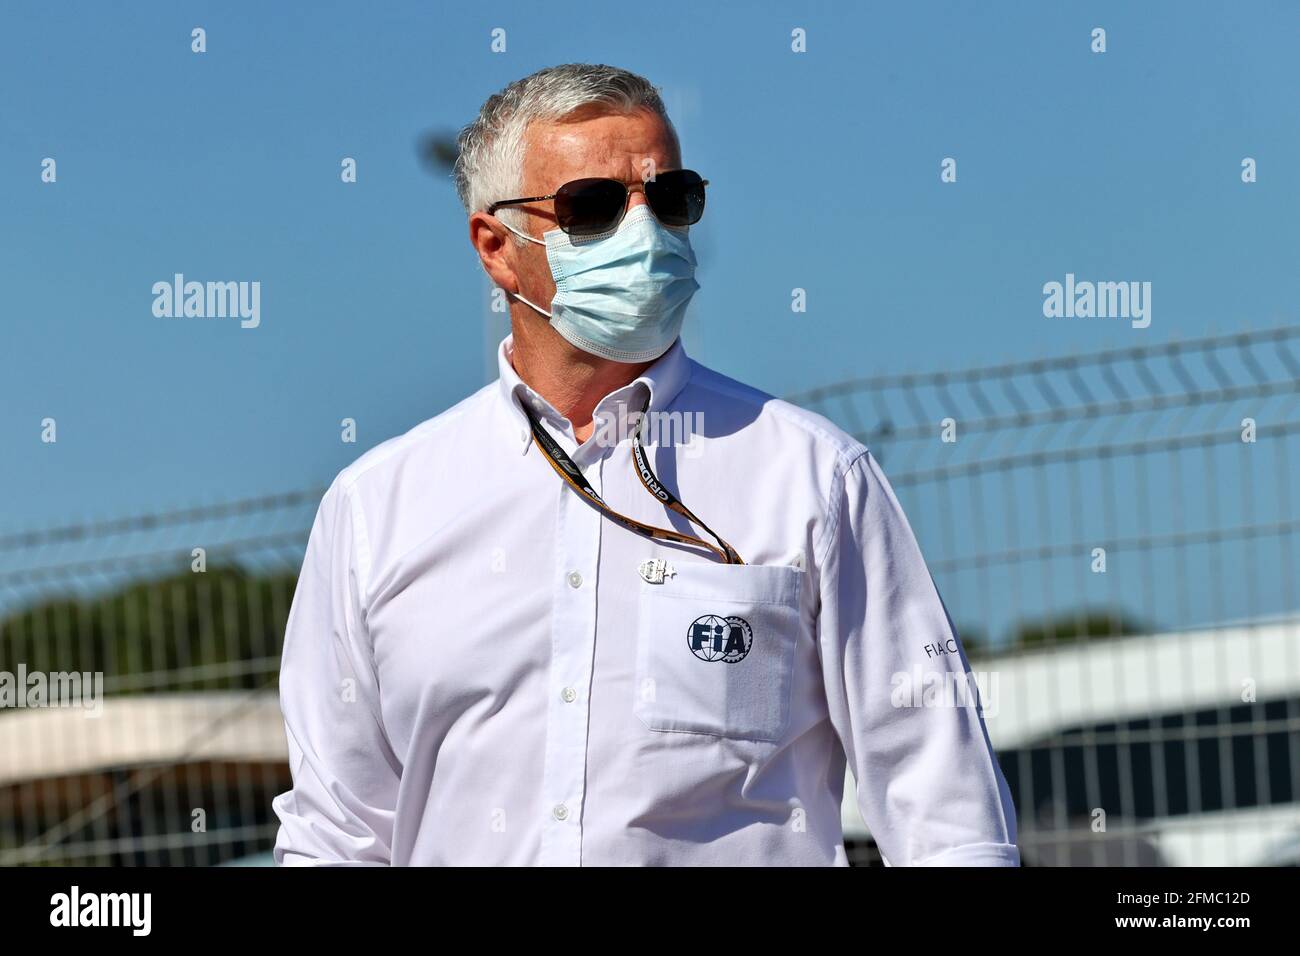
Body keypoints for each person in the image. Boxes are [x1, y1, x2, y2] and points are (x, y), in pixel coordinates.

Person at [272, 63, 1018, 866]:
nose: (645, 232)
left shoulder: (813, 479)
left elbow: (947, 814)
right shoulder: (376, 511)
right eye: (591, 208)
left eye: (670, 200)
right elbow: (338, 834)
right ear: (496, 248)